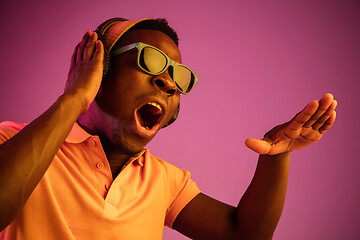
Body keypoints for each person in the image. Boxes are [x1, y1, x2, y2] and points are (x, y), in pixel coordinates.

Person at [0, 17, 336, 240]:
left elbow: (243, 234)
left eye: (179, 76)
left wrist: (276, 154)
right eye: (151, 61)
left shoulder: (164, 181)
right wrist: (74, 97)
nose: (169, 82)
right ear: (98, 70)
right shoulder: (14, 142)